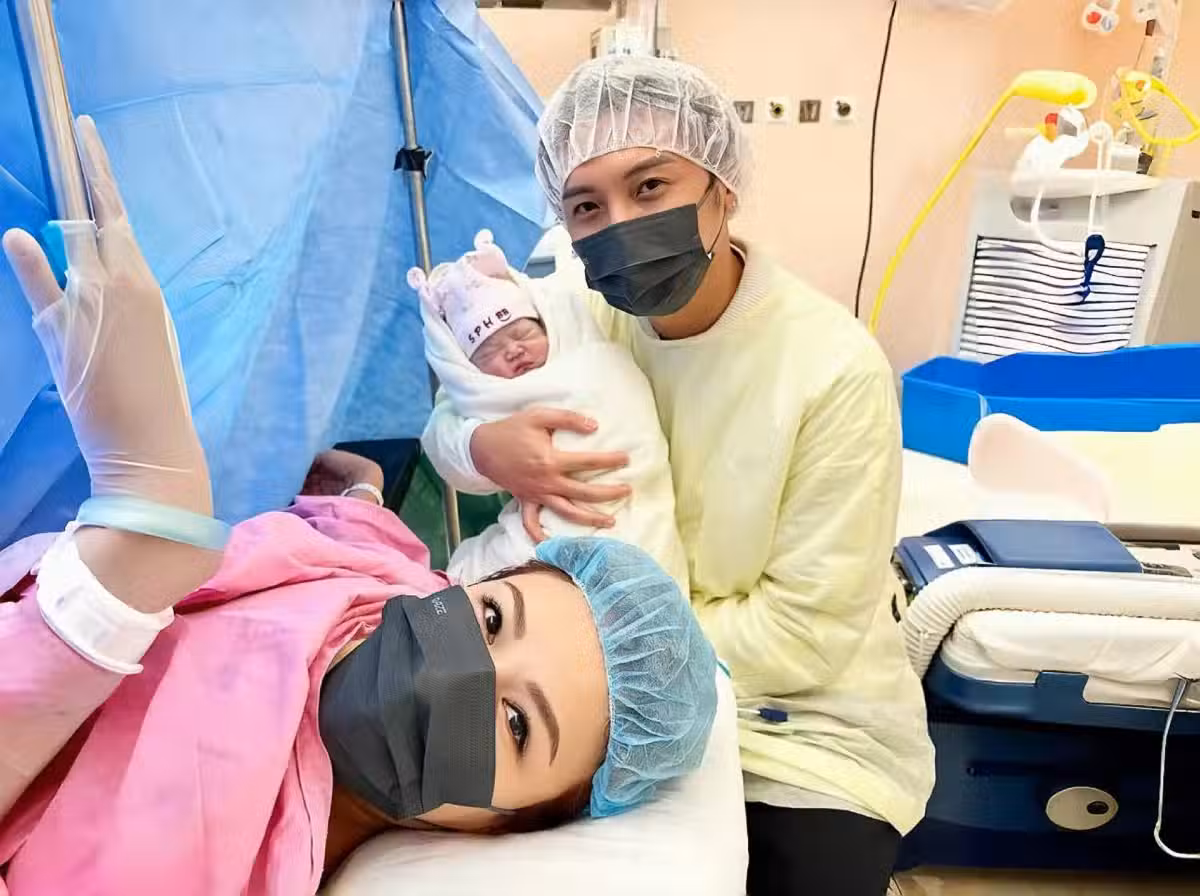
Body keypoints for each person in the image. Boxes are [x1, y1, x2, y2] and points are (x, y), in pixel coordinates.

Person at [0, 116, 718, 896]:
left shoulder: (215, 856)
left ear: (507, 826)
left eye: (515, 724)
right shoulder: (393, 593)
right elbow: (387, 559)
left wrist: (121, 575)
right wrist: (361, 494)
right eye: (490, 619)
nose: (459, 673)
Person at [423, 55, 936, 896]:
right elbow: (456, 412)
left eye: (651, 186)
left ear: (722, 187)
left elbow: (803, 634)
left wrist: (602, 654)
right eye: (587, 206)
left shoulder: (832, 369)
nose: (619, 223)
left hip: (795, 728)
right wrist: (484, 449)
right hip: (590, 698)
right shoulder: (582, 317)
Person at [411, 229, 687, 591]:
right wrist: (478, 445)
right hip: (542, 524)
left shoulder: (581, 339)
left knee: (488, 573)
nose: (513, 351)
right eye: (489, 350)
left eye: (522, 334)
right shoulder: (483, 389)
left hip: (628, 506)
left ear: (545, 324)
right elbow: (443, 424)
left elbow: (620, 412)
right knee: (491, 566)